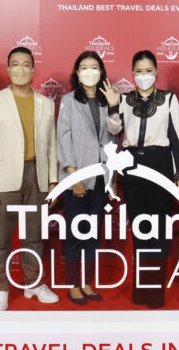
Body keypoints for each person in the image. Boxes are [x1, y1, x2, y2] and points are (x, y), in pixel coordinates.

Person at [0, 46, 59, 310]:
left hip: (38, 175)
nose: (20, 69)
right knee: (1, 238)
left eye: (26, 65)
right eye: (15, 64)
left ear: (33, 71)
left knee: (34, 236)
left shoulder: (46, 103)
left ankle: (33, 283)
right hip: (3, 178)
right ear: (8, 69)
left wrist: (53, 180)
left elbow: (52, 146)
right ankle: (0, 287)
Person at [104, 50, 179, 309]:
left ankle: (156, 293)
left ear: (156, 72)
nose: (144, 75)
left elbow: (177, 137)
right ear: (132, 73)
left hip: (160, 163)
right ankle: (141, 290)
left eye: (148, 71)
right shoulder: (124, 99)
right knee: (140, 231)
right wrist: (113, 105)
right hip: (132, 165)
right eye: (139, 71)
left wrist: (178, 173)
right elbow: (114, 130)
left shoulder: (169, 98)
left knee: (159, 232)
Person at [56, 51, 117, 305]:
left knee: (93, 234)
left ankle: (87, 282)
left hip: (101, 177)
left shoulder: (108, 100)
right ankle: (73, 284)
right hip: (77, 177)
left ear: (101, 72)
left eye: (94, 67)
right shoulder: (69, 101)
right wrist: (74, 177)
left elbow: (115, 133)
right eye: (84, 67)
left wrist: (113, 105)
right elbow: (63, 139)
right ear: (77, 72)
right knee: (75, 234)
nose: (89, 71)